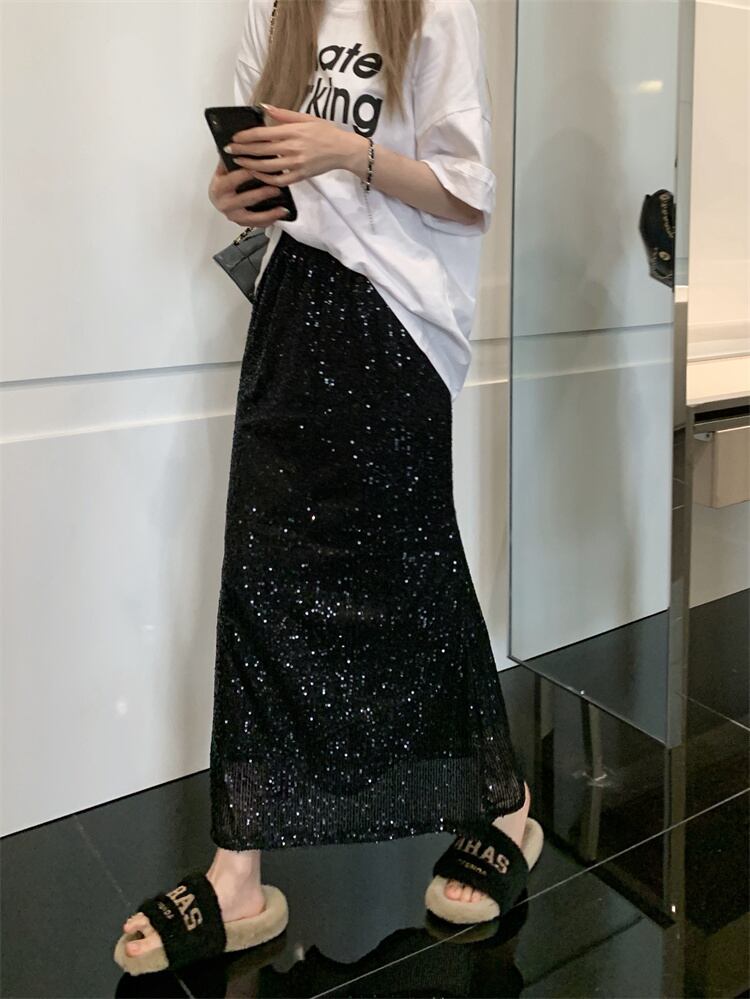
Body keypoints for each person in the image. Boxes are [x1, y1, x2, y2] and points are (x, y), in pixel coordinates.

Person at [116, 0, 539, 973]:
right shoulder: (276, 9)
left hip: (399, 319)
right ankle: (238, 869)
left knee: (412, 570)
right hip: (295, 301)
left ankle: (505, 808)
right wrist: (237, 191)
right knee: (260, 575)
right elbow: (264, 178)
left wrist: (349, 153)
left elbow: (469, 192)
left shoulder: (435, 10)